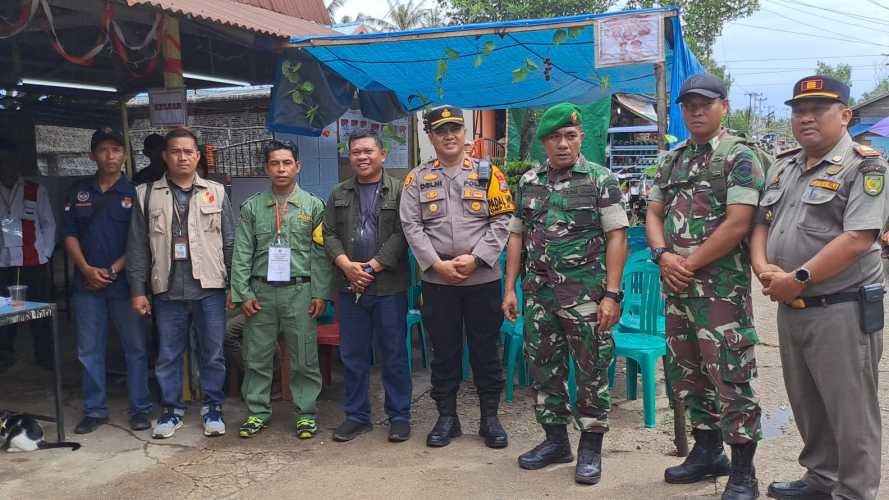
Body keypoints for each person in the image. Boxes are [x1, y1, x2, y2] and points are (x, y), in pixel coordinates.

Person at [751, 76, 886, 500]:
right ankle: (820, 480)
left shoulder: (865, 166)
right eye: (798, 110)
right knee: (807, 403)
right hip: (792, 305)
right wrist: (762, 267)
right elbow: (762, 223)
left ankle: (855, 492)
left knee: (850, 411)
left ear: (845, 115)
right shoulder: (784, 165)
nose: (805, 117)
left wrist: (799, 277)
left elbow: (858, 238)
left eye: (819, 109)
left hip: (841, 307)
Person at [646, 73, 765, 500]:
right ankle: (707, 451)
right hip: (677, 287)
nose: (696, 111)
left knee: (730, 377)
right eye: (689, 104)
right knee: (688, 373)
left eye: (705, 103)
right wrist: (663, 256)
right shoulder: (671, 159)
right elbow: (653, 213)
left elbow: (739, 222)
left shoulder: (740, 156)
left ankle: (744, 471)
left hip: (720, 292)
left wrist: (688, 263)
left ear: (724, 106)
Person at [503, 103, 628, 485]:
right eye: (555, 137)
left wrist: (612, 294)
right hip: (539, 295)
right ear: (543, 141)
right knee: (543, 369)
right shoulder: (529, 182)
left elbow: (617, 237)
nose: (562, 144)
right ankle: (555, 441)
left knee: (591, 371)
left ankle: (591, 447)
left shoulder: (600, 180)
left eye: (570, 136)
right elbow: (517, 234)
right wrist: (509, 288)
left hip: (585, 296)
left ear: (581, 138)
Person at [400, 105, 513, 449]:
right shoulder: (416, 179)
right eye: (440, 130)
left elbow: (503, 220)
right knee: (444, 351)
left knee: (485, 349)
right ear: (431, 137)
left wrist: (476, 258)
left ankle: (489, 418)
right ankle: (447, 418)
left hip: (482, 279)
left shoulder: (489, 173)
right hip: (438, 282)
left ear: (465, 134)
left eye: (455, 129)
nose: (448, 135)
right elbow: (411, 225)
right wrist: (436, 264)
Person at [126, 127, 234, 439]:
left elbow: (230, 242)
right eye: (176, 151)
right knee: (168, 354)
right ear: (165, 156)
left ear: (198, 156)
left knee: (212, 352)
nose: (182, 157)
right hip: (167, 289)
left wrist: (234, 288)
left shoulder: (216, 191)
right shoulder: (146, 194)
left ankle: (213, 407)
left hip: (210, 288)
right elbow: (137, 248)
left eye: (188, 151)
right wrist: (137, 291)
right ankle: (171, 411)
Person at [230, 140, 333, 440]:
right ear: (266, 168)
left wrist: (320, 293)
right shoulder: (252, 207)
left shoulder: (313, 206)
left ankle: (305, 413)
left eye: (287, 163)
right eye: (275, 163)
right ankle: (257, 412)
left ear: (297, 166)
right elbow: (242, 253)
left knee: (303, 355)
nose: (281, 169)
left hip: (300, 292)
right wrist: (243, 294)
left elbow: (320, 254)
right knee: (257, 356)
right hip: (261, 293)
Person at [323, 130, 412, 443]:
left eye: (368, 151)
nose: (362, 157)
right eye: (356, 152)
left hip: (388, 285)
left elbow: (404, 233)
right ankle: (357, 416)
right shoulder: (338, 193)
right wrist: (347, 265)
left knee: (394, 353)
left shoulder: (401, 191)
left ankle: (399, 416)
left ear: (382, 154)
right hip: (350, 287)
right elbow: (329, 233)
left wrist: (373, 266)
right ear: (350, 157)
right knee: (353, 354)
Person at [64, 127, 152, 434]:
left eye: (116, 150)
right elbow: (69, 234)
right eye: (103, 150)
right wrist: (87, 269)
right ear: (92, 155)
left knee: (135, 348)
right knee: (89, 350)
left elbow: (139, 240)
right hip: (86, 285)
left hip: (126, 285)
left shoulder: (136, 194)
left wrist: (113, 271)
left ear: (125, 155)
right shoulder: (79, 192)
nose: (110, 155)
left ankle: (140, 409)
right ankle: (95, 409)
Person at [0, 138, 55, 373]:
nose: (6, 165)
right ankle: (4, 355)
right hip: (2, 264)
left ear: (18, 162)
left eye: (10, 160)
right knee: (5, 315)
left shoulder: (34, 189)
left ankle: (44, 356)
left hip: (34, 261)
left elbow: (48, 224)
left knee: (40, 312)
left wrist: (46, 253)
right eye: (2, 161)